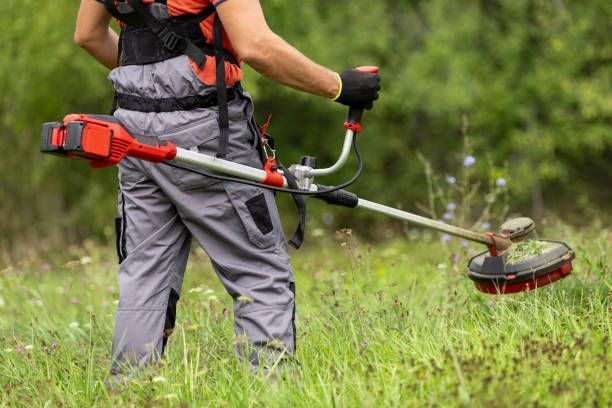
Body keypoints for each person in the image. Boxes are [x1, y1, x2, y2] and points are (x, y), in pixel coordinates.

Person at [74, 0, 380, 377]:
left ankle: (130, 393)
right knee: (259, 271)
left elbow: (87, 35)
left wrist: (153, 84)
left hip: (133, 130)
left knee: (144, 275)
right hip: (208, 130)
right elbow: (256, 47)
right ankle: (274, 388)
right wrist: (339, 87)